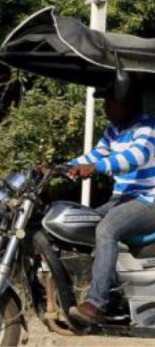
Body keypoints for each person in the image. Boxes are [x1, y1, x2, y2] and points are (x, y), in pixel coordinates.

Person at [67, 85, 155, 324]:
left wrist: (97, 167)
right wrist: (61, 167)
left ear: (128, 102)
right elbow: (95, 155)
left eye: (110, 102)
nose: (105, 107)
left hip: (148, 198)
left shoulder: (148, 127)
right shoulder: (114, 130)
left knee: (106, 229)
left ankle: (97, 304)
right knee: (80, 224)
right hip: (123, 198)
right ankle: (100, 288)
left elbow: (136, 157)